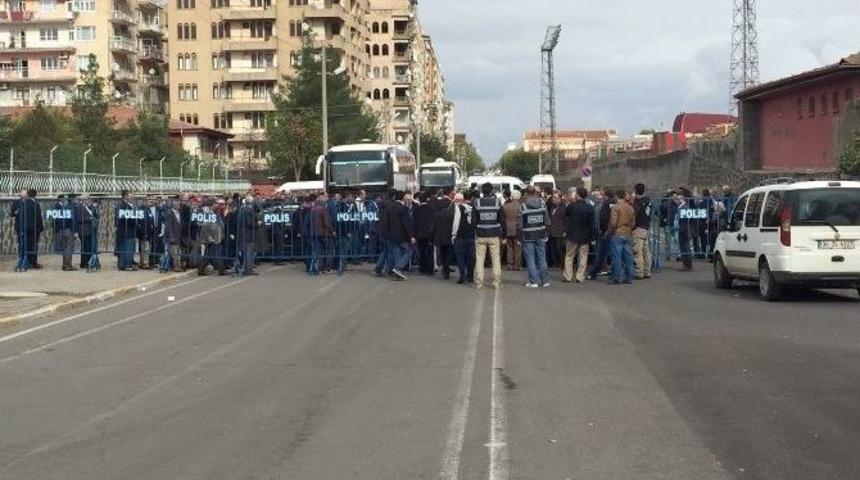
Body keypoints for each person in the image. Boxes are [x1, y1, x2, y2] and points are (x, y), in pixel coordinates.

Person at [473, 182, 505, 289]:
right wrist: (503, 235)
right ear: (492, 191)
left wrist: (476, 230)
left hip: (480, 234)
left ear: (482, 191)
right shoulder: (497, 202)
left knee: (479, 259)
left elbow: (473, 220)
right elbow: (502, 220)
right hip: (494, 235)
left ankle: (479, 282)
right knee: (495, 258)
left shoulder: (477, 203)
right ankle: (496, 282)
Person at [518, 186, 550, 288]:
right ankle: (545, 281)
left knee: (530, 258)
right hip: (541, 234)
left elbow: (519, 224)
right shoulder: (542, 203)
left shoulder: (523, 206)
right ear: (535, 193)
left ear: (526, 193)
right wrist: (546, 231)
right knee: (542, 258)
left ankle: (534, 281)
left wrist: (520, 237)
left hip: (528, 235)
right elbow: (547, 220)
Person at [563, 187, 595, 283]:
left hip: (572, 235)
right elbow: (592, 223)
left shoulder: (572, 206)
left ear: (578, 195)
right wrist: (591, 235)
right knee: (583, 256)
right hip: (585, 235)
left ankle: (568, 276)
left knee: (569, 256)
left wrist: (571, 201)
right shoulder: (589, 207)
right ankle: (580, 276)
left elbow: (566, 213)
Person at [385, 190, 415, 280]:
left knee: (397, 253)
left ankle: (397, 274)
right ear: (403, 198)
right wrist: (412, 236)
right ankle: (398, 268)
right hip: (402, 235)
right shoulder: (403, 208)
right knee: (409, 251)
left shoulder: (390, 207)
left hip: (392, 234)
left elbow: (387, 222)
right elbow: (407, 223)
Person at [607, 189, 635, 284]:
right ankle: (629, 277)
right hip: (628, 233)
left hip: (617, 233)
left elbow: (613, 222)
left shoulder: (615, 207)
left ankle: (617, 277)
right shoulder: (630, 208)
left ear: (617, 196)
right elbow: (633, 222)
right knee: (628, 257)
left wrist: (609, 232)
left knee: (616, 257)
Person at [587, 188, 615, 280]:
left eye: (601, 195)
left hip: (604, 231)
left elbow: (600, 219)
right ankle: (615, 272)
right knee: (615, 253)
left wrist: (600, 230)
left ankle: (595, 272)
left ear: (605, 196)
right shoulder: (616, 204)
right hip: (616, 232)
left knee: (601, 252)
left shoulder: (602, 205)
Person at [451, 192, 476, 285]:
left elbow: (456, 222)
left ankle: (462, 275)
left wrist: (453, 234)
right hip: (471, 235)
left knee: (460, 256)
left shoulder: (459, 208)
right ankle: (471, 276)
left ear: (463, 199)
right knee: (471, 258)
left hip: (460, 236)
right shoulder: (474, 207)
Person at [51, 194, 78, 271]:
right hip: (69, 230)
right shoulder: (70, 207)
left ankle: (65, 265)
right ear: (72, 199)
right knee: (68, 248)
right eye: (75, 199)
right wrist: (74, 231)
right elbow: (72, 220)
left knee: (66, 247)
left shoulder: (66, 207)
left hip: (64, 229)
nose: (77, 200)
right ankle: (67, 265)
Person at [433, 189, 455, 279]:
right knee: (449, 253)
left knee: (442, 253)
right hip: (449, 236)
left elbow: (434, 227)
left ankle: (445, 269)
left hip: (440, 237)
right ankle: (446, 268)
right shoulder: (452, 214)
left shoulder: (436, 214)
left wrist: (433, 237)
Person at [632, 183, 653, 279]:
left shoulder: (638, 202)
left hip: (639, 227)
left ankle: (639, 272)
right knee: (646, 251)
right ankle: (647, 271)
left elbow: (635, 214)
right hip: (646, 226)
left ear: (636, 191)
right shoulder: (648, 200)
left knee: (638, 251)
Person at [413, 191, 436, 275]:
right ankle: (430, 269)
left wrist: (414, 235)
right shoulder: (432, 209)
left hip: (419, 234)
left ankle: (423, 268)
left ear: (419, 200)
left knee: (421, 251)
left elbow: (414, 223)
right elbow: (434, 221)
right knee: (430, 251)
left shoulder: (416, 210)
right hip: (430, 234)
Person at [115, 189, 139, 271]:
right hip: (126, 230)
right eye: (130, 194)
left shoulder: (127, 205)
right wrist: (135, 221)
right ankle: (127, 265)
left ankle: (123, 264)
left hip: (127, 230)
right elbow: (126, 218)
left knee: (125, 247)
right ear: (125, 196)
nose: (132, 196)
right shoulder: (122, 205)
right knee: (127, 247)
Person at [162, 196, 184, 272]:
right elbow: (169, 226)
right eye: (177, 202)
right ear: (173, 203)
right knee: (175, 253)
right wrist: (171, 237)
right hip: (173, 237)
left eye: (179, 202)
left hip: (178, 236)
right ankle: (176, 267)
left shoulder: (179, 213)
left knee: (177, 252)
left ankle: (177, 266)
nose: (179, 204)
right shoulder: (169, 213)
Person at [76, 194, 97, 269]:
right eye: (86, 199)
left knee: (88, 247)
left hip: (89, 229)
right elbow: (79, 218)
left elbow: (94, 214)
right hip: (83, 230)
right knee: (85, 247)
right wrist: (89, 218)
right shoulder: (79, 207)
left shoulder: (89, 207)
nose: (88, 200)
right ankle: (84, 262)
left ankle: (88, 261)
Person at [503, 189, 522, 271]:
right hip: (517, 229)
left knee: (509, 248)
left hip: (508, 229)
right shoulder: (521, 206)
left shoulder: (505, 206)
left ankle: (510, 264)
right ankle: (517, 265)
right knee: (517, 248)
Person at [547, 192, 566, 269]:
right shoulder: (552, 207)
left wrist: (565, 231)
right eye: (553, 197)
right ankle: (556, 263)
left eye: (555, 197)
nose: (553, 199)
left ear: (560, 199)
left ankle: (562, 264)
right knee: (553, 249)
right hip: (552, 231)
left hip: (559, 231)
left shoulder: (563, 207)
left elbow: (566, 220)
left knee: (559, 249)